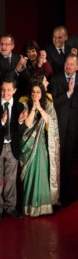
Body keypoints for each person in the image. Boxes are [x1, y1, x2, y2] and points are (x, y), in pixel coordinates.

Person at [20, 82, 60, 217]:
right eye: (33, 92)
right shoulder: (26, 104)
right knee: (30, 175)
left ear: (42, 93)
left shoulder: (48, 105)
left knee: (41, 173)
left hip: (41, 145)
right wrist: (33, 108)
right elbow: (28, 123)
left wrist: (40, 108)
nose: (35, 94)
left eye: (38, 92)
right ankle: (30, 206)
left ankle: (43, 207)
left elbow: (50, 121)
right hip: (29, 145)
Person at [0, 78, 27, 221]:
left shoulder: (19, 107)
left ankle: (10, 208)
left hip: (13, 147)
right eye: (3, 89)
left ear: (15, 90)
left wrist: (20, 122)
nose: (5, 92)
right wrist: (1, 122)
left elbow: (21, 131)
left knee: (11, 179)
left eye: (9, 90)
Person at [49, 54, 78, 202]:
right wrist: (68, 94)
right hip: (59, 127)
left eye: (71, 64)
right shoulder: (55, 79)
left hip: (74, 129)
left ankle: (66, 191)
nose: (68, 66)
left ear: (77, 67)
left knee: (68, 162)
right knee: (57, 161)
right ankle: (55, 194)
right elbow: (51, 102)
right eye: (67, 63)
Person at [0, 34, 30, 100]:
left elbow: (27, 79)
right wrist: (16, 70)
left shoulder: (18, 57)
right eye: (1, 44)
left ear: (13, 46)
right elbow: (1, 80)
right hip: (2, 97)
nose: (3, 46)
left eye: (6, 44)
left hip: (18, 96)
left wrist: (23, 68)